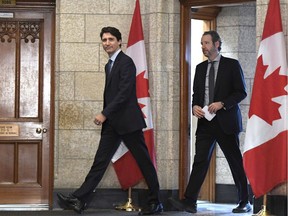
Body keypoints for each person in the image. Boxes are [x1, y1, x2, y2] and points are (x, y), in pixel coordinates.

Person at [57, 26, 163, 215]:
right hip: (113, 124)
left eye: (111, 39)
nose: (107, 43)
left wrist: (104, 113)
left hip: (129, 123)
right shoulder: (109, 64)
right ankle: (79, 200)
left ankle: (156, 202)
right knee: (100, 162)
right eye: (104, 40)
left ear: (119, 41)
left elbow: (123, 94)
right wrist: (108, 116)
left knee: (144, 162)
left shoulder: (126, 62)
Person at [169, 30, 251, 214]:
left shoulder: (231, 65)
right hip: (205, 122)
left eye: (206, 43)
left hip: (226, 121)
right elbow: (196, 95)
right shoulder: (199, 68)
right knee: (200, 161)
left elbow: (241, 92)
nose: (203, 46)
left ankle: (244, 201)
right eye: (202, 43)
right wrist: (194, 107)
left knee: (234, 161)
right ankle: (190, 201)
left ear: (217, 44)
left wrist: (222, 103)